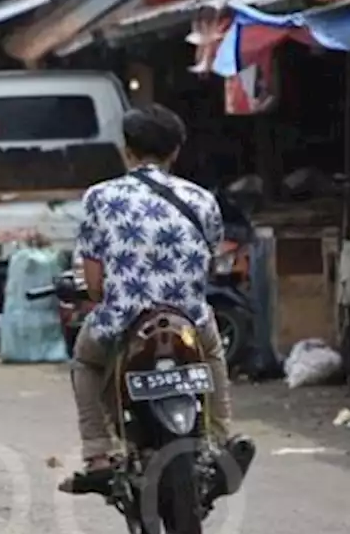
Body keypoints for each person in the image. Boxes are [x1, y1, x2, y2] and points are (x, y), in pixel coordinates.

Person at [61, 103, 246, 494]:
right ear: (176, 150)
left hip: (124, 319)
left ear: (126, 149)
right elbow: (208, 264)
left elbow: (93, 282)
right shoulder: (201, 199)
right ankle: (221, 440)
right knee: (213, 356)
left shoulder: (100, 197)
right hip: (189, 318)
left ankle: (97, 453)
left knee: (85, 362)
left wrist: (98, 295)